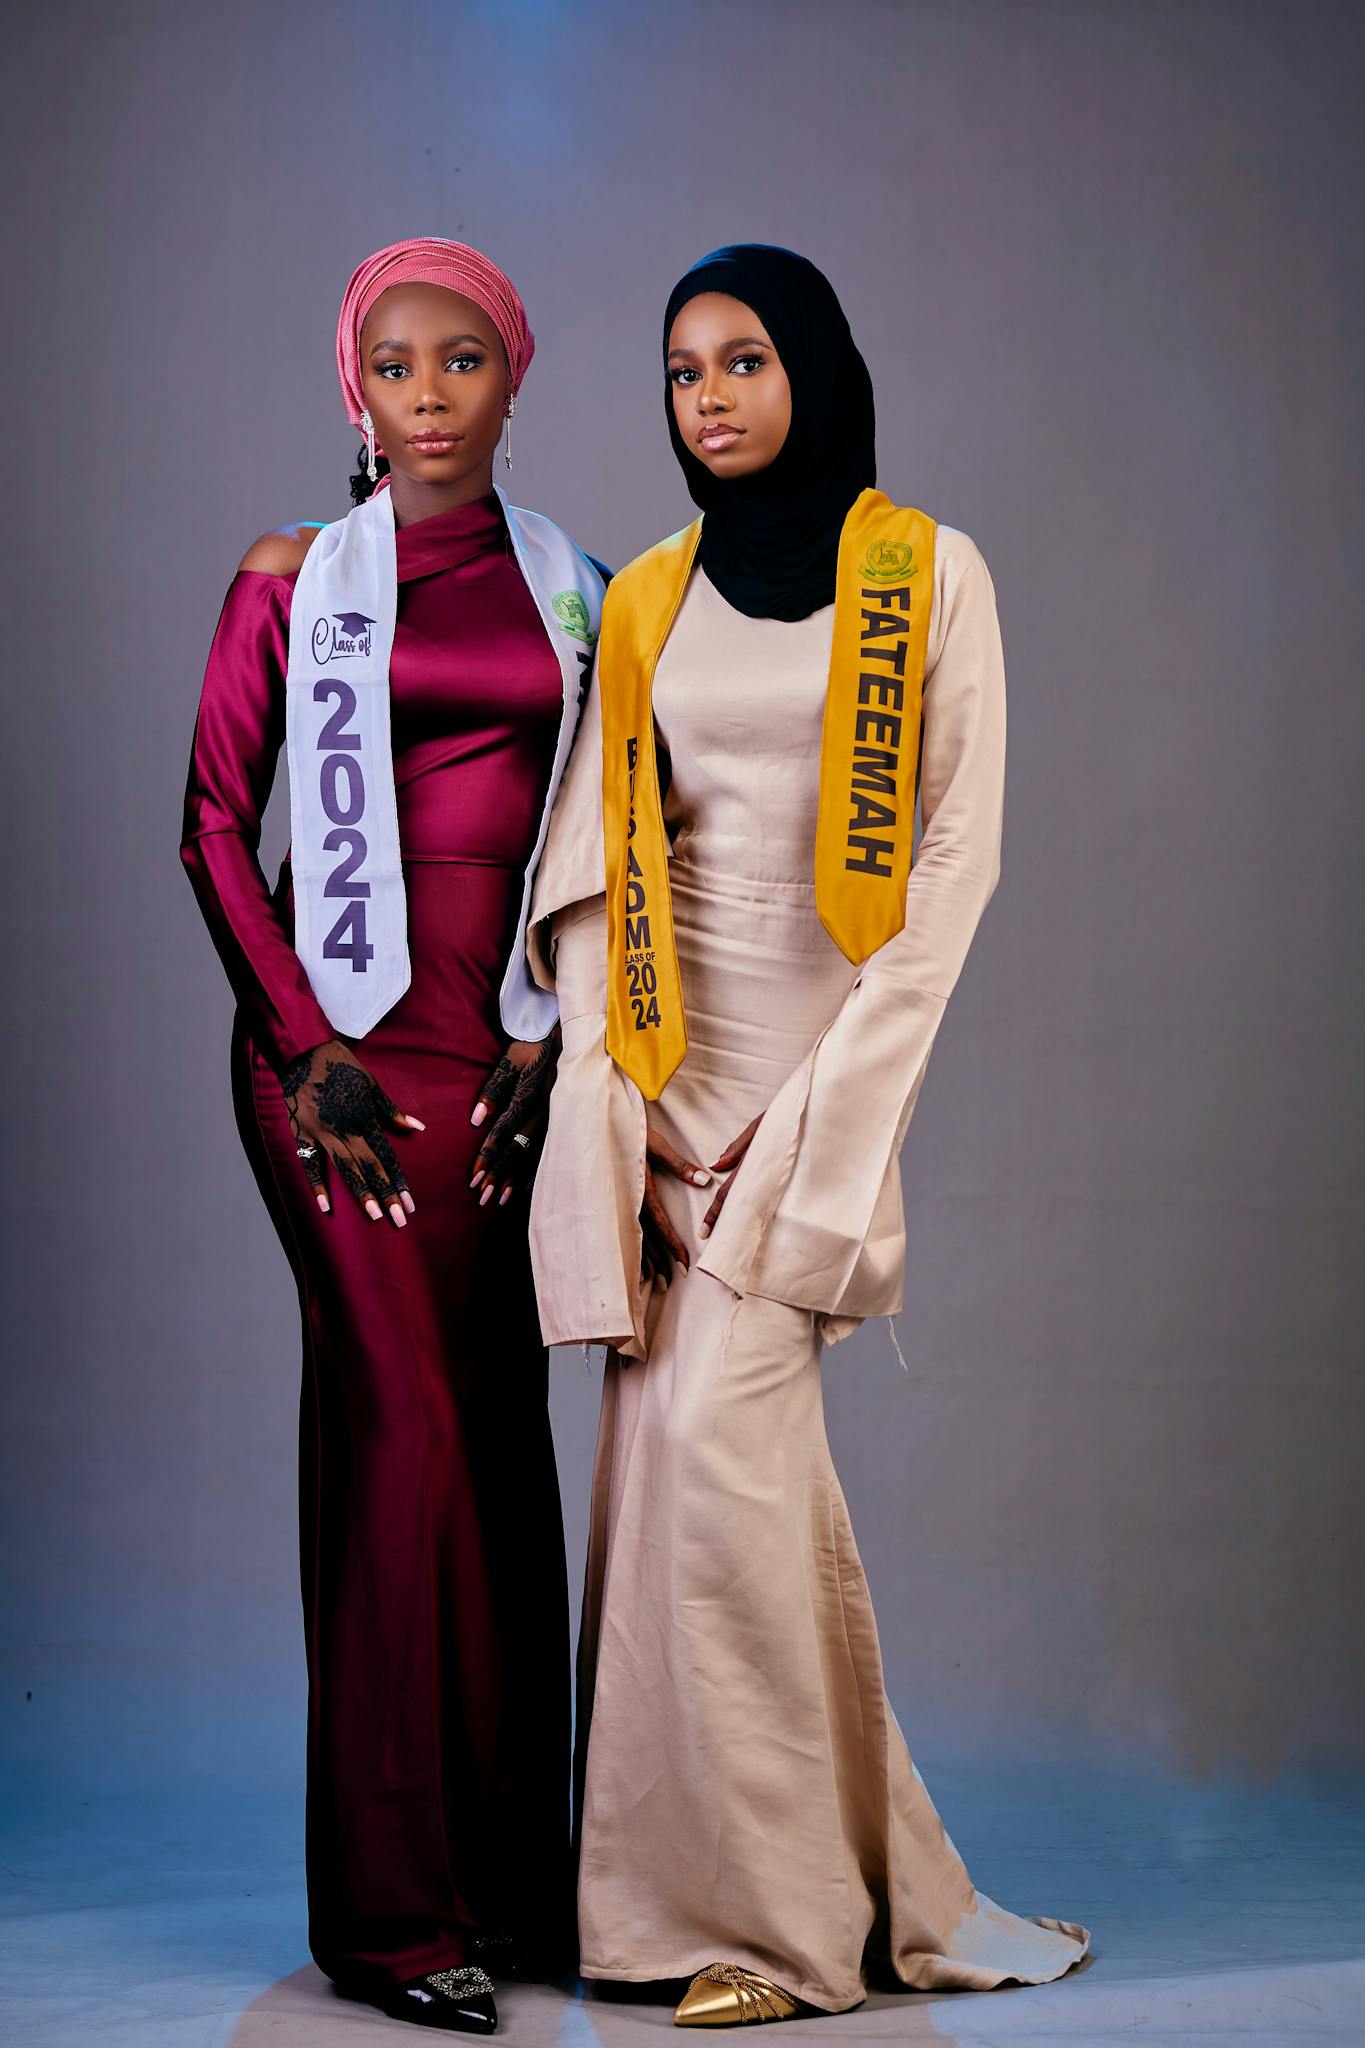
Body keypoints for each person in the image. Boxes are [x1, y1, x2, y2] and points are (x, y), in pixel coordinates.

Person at [525, 244, 1090, 2025]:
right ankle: (688, 1904)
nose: (710, 396)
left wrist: (803, 1128)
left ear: (815, 369)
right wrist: (627, 1110)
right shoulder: (652, 598)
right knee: (677, 1501)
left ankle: (767, 1929)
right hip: (662, 1089)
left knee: (723, 1482)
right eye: (682, 370)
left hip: (809, 1080)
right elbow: (593, 859)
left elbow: (949, 868)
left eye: (745, 359)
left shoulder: (926, 573)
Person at [181, 237, 606, 2035]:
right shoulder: (294, 577)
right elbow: (213, 821)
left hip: (502, 1064)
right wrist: (299, 1049)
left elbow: (606, 851)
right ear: (350, 391)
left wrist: (564, 1036)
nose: (427, 397)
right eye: (394, 366)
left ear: (514, 381)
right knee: (403, 1442)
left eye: (463, 363)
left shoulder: (576, 589)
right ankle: (388, 1916)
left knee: (501, 1449)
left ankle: (511, 1894)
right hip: (335, 1072)